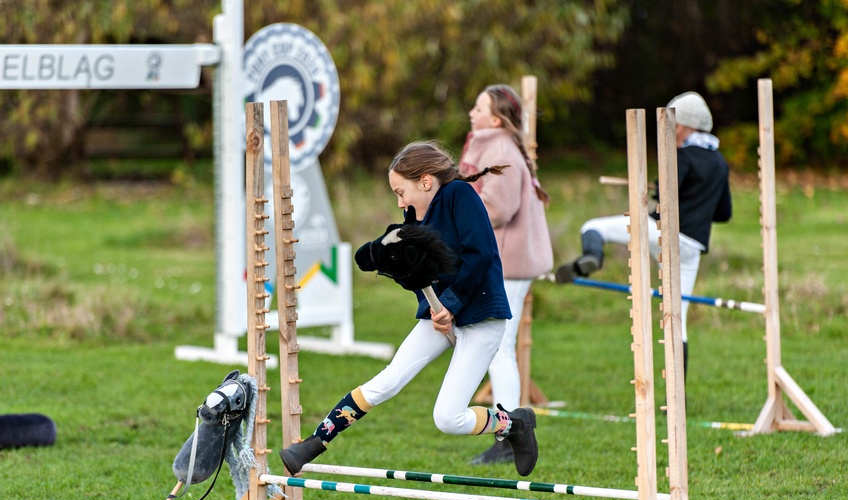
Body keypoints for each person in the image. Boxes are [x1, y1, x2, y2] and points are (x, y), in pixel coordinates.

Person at [279, 141, 540, 477]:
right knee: (387, 380)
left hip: (481, 318)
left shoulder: (460, 195)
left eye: (401, 192)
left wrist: (449, 305)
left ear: (426, 181)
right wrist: (406, 277)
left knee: (447, 418)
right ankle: (314, 444)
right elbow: (418, 273)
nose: (400, 202)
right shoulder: (414, 217)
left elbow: (481, 256)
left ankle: (513, 424)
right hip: (441, 319)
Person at [555, 91, 732, 376]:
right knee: (678, 319)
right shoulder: (720, 163)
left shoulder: (683, 155)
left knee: (592, 227)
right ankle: (679, 397)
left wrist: (661, 187)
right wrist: (700, 204)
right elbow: (724, 213)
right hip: (692, 246)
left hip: (661, 232)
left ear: (685, 126)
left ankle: (592, 257)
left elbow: (665, 194)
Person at [459, 84, 553, 465]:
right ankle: (509, 428)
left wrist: (456, 211)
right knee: (499, 346)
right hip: (509, 259)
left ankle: (510, 431)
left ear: (495, 119)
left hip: (510, 261)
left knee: (500, 347)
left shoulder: (499, 150)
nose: (471, 111)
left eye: (478, 107)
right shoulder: (495, 146)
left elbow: (498, 207)